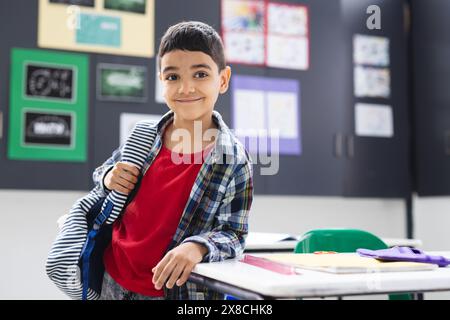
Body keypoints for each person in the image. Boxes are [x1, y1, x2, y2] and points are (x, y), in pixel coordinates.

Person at [93, 21, 254, 300]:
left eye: (201, 74)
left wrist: (198, 246)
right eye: (173, 77)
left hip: (175, 293)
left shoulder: (233, 158)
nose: (185, 88)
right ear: (161, 81)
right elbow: (103, 176)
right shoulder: (142, 136)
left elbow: (234, 233)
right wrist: (108, 176)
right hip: (114, 278)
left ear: (223, 80)